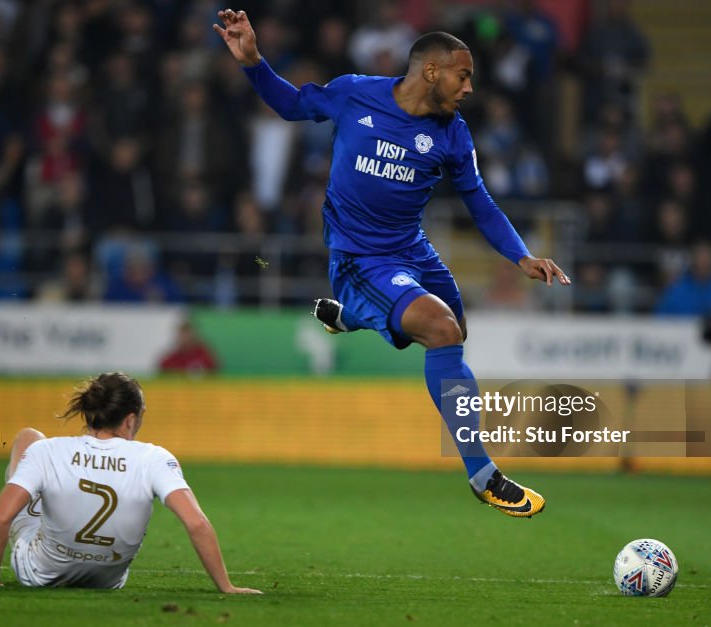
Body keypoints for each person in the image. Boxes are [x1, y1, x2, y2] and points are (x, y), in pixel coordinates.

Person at [215, 9, 571, 518]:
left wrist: (522, 255)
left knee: (456, 331)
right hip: (361, 257)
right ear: (431, 72)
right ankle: (482, 474)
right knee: (442, 331)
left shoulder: (453, 134)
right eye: (463, 75)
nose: (469, 88)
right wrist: (253, 62)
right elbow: (292, 105)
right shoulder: (356, 92)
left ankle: (352, 316)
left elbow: (481, 204)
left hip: (413, 251)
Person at [0, 372, 261, 593]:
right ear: (130, 420)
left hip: (38, 574)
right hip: (107, 579)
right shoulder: (154, 458)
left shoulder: (48, 451)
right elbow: (196, 523)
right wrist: (227, 586)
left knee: (28, 437)